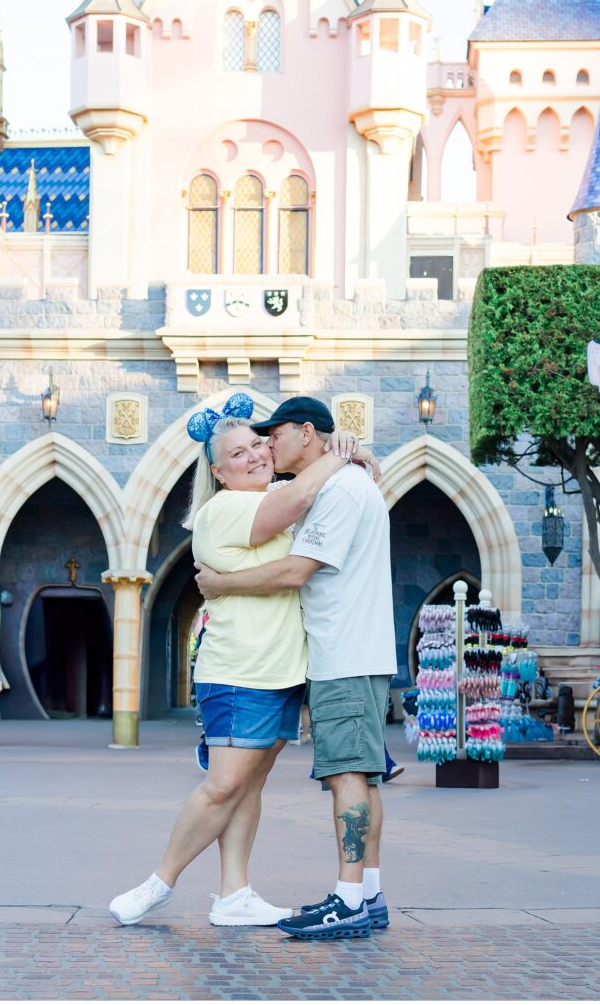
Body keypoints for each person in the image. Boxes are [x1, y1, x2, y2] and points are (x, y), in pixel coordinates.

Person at [109, 393, 369, 928]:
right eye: (238, 454)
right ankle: (158, 883)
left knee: (250, 786)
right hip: (238, 673)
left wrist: (344, 450)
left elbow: (303, 501)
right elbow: (294, 503)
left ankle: (234, 894)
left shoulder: (282, 492)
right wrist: (336, 453)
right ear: (218, 472)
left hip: (282, 674)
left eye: (257, 445)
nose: (254, 456)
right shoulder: (223, 510)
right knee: (225, 784)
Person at [195, 396, 397, 940]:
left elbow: (294, 572)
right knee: (362, 777)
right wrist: (348, 450)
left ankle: (349, 899)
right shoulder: (336, 482)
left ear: (307, 433)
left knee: (348, 777)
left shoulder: (340, 490)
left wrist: (219, 584)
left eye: (273, 434)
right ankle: (369, 895)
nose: (268, 445)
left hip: (345, 656)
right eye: (252, 442)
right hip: (351, 654)